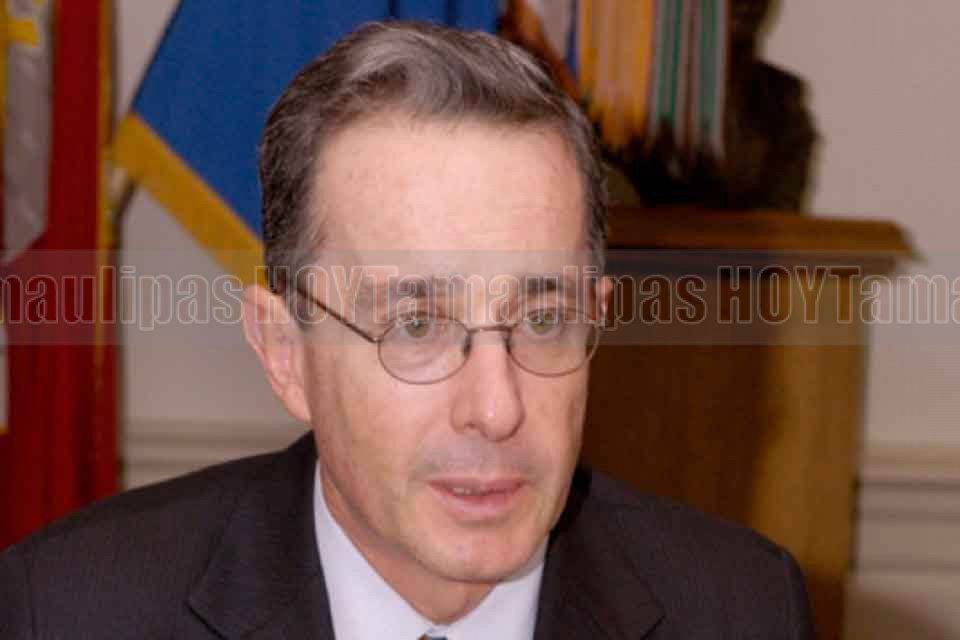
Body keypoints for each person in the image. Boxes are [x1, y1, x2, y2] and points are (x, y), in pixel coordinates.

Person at [0, 21, 814, 639]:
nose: (496, 410)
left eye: (544, 319)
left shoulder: (740, 610)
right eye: (418, 324)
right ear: (286, 354)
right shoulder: (71, 612)